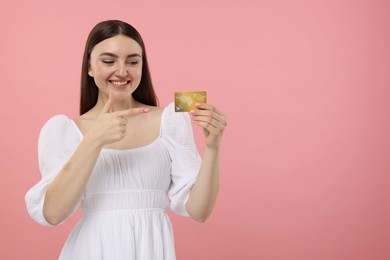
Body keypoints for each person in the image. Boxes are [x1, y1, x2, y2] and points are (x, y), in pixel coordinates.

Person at [25, 20, 227, 259]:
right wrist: (94, 140)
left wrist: (213, 147)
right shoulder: (64, 130)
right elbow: (54, 214)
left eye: (133, 61)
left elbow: (199, 211)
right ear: (89, 66)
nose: (122, 71)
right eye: (109, 61)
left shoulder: (170, 120)